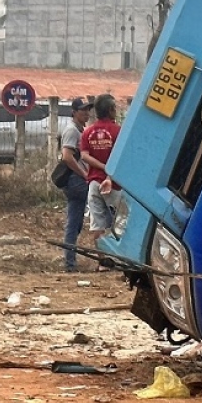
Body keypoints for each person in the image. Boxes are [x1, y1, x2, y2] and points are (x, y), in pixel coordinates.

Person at [80, 94, 121, 240]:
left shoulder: (88, 132)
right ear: (110, 110)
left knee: (97, 226)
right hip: (113, 184)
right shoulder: (118, 131)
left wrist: (102, 167)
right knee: (121, 225)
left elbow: (84, 155)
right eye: (114, 108)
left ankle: (100, 261)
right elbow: (121, 157)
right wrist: (108, 169)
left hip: (94, 184)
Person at [59, 97, 93, 272]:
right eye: (83, 110)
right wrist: (84, 174)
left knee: (76, 220)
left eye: (88, 110)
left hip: (77, 179)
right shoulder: (72, 131)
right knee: (97, 211)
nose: (86, 113)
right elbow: (66, 156)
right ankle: (70, 261)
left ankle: (70, 259)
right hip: (75, 179)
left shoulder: (80, 130)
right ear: (74, 113)